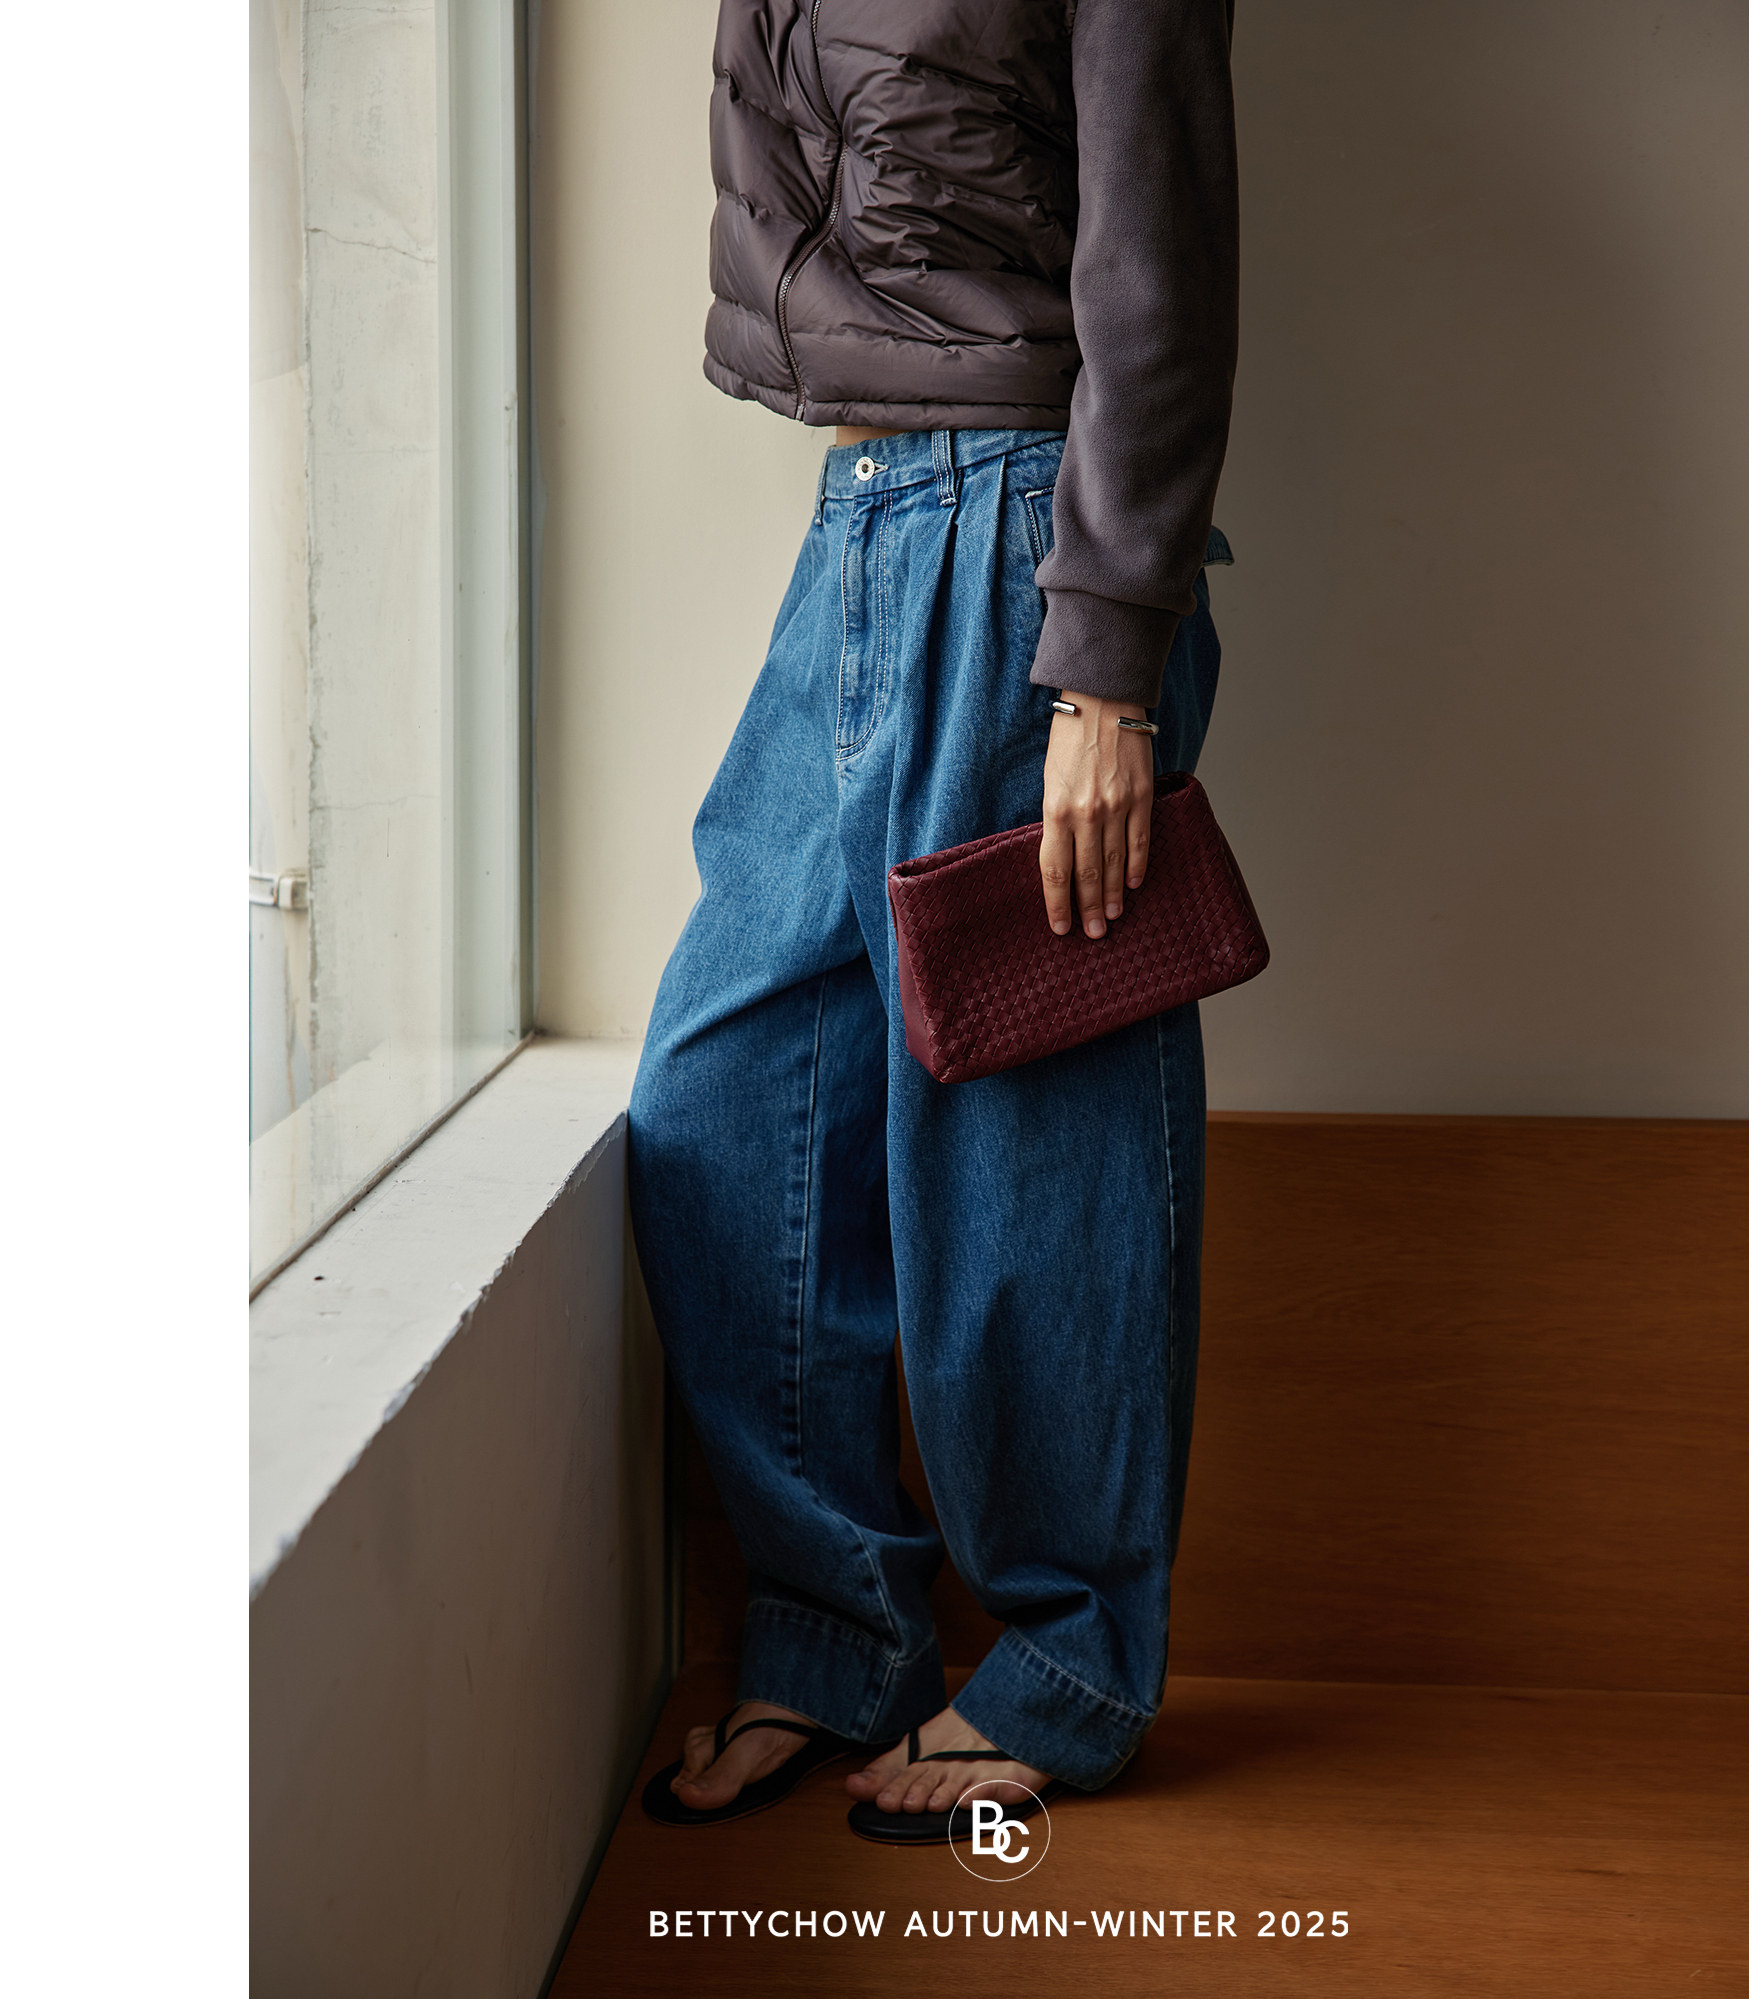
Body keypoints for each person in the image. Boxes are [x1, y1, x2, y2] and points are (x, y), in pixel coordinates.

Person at [627, 0, 1239, 1841]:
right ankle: (842, 1626)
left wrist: (1106, 668)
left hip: (1027, 527)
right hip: (864, 513)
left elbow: (1158, 257)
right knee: (725, 1098)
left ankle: (1068, 1660)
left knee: (1026, 1130)